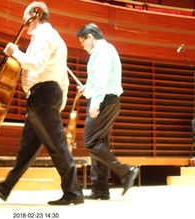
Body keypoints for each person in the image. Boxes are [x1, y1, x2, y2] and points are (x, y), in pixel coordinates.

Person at [0, 1, 84, 205]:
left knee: (58, 145)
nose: (24, 23)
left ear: (35, 16)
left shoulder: (44, 36)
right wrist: (60, 99)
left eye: (26, 19)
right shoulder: (53, 37)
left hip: (43, 96)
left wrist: (15, 53)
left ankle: (74, 193)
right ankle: (5, 187)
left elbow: (37, 65)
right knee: (27, 149)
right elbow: (62, 75)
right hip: (44, 96)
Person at [75, 23, 139, 200]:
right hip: (107, 100)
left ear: (89, 36)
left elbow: (102, 79)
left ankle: (126, 171)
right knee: (99, 143)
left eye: (83, 43)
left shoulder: (102, 51)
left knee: (90, 141)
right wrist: (87, 89)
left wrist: (95, 103)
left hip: (104, 102)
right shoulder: (104, 51)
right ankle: (100, 189)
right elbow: (98, 81)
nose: (83, 47)